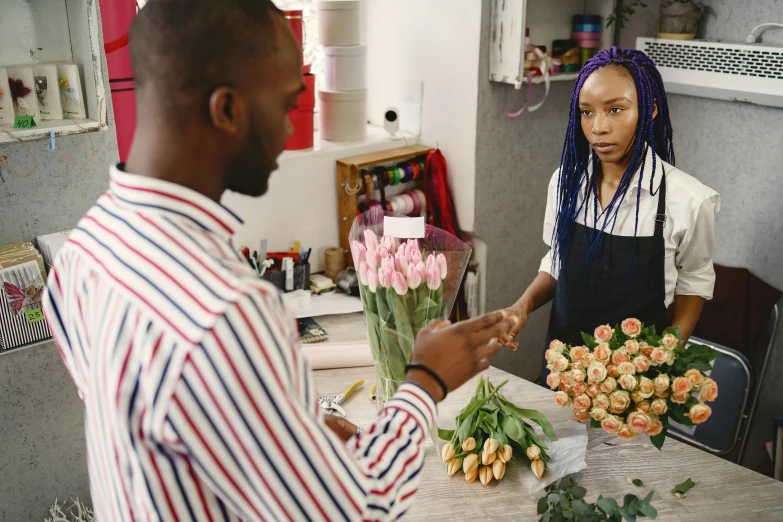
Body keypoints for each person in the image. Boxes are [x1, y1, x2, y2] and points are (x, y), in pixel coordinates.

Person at [41, 1, 517, 520]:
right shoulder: (224, 313)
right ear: (226, 110)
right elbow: (361, 508)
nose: (292, 129)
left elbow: (159, 424)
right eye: (287, 103)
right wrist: (425, 379)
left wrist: (288, 433)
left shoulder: (85, 249)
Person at [501, 47, 720, 383]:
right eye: (587, 112)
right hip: (562, 372)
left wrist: (668, 355)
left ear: (650, 110)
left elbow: (695, 280)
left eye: (615, 109)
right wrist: (522, 305)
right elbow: (557, 260)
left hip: (635, 382)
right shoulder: (565, 183)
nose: (598, 128)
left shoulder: (688, 200)